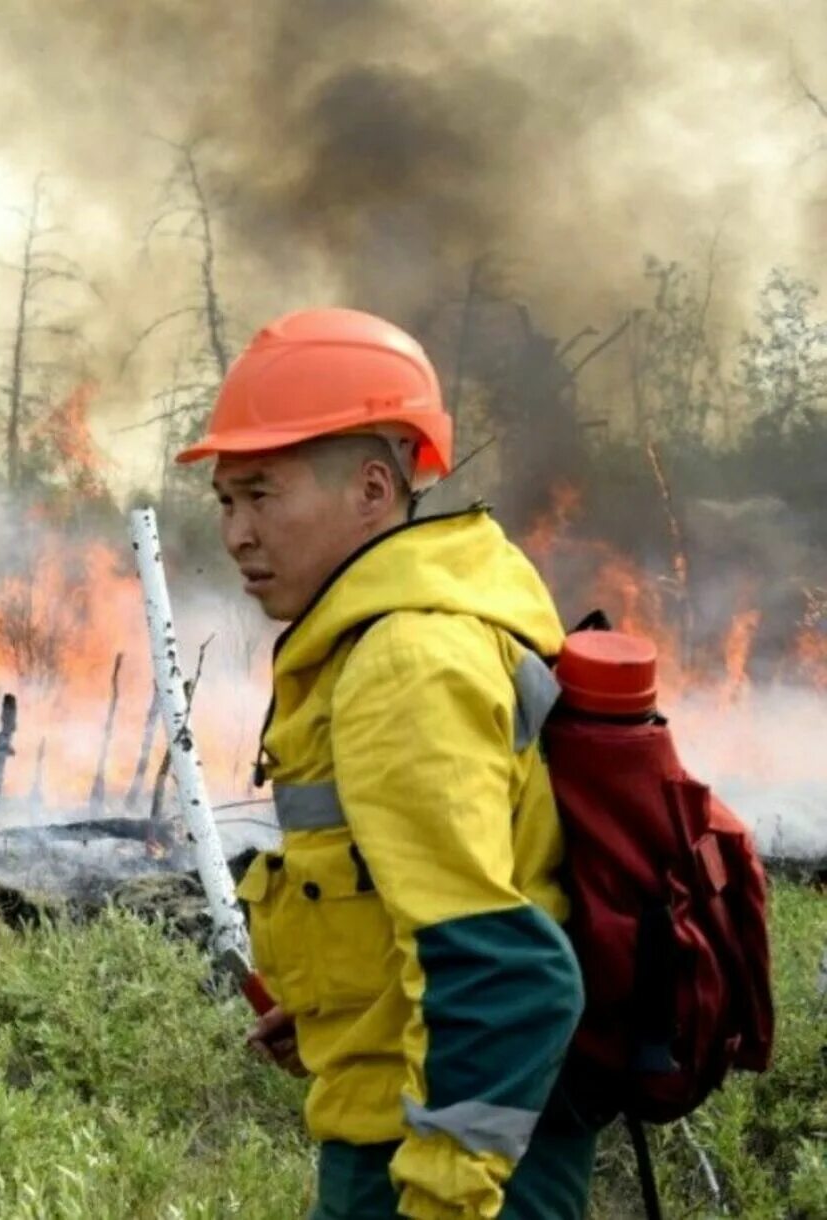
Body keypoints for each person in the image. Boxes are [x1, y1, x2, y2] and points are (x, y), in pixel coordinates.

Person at [174, 307, 597, 1219]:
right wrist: (343, 1002)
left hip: (447, 1163)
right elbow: (424, 897)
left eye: (262, 493)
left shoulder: (404, 664)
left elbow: (508, 972)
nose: (237, 532)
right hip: (426, 1119)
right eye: (226, 501)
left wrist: (443, 1197)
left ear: (373, 490)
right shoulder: (397, 634)